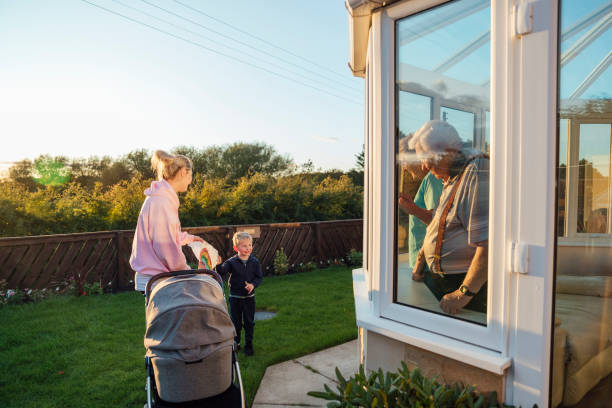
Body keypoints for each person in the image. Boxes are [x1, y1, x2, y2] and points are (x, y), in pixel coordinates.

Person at [408, 120, 489, 315]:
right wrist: (421, 262)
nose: (425, 167)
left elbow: (489, 245)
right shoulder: (452, 176)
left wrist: (463, 294)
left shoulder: (477, 171)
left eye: (426, 159)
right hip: (440, 281)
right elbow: (438, 223)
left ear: (445, 152)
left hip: (463, 285)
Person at [130, 150, 204, 293]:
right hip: (157, 279)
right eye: (191, 175)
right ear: (183, 172)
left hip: (158, 276)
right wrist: (187, 272)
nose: (190, 180)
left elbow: (167, 234)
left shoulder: (162, 198)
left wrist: (190, 238)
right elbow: (165, 245)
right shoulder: (162, 202)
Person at [397, 135, 443, 268]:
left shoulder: (432, 179)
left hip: (426, 267)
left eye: (404, 160)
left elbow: (437, 224)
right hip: (427, 265)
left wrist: (418, 265)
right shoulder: (429, 180)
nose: (404, 167)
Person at [216, 231, 263, 356]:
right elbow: (222, 271)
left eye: (250, 245)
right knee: (235, 323)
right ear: (236, 248)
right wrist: (218, 263)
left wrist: (253, 285)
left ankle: (249, 345)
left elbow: (259, 278)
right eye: (244, 246)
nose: (248, 248)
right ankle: (236, 344)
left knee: (249, 322)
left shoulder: (255, 262)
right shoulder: (231, 262)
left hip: (249, 299)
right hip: (235, 299)